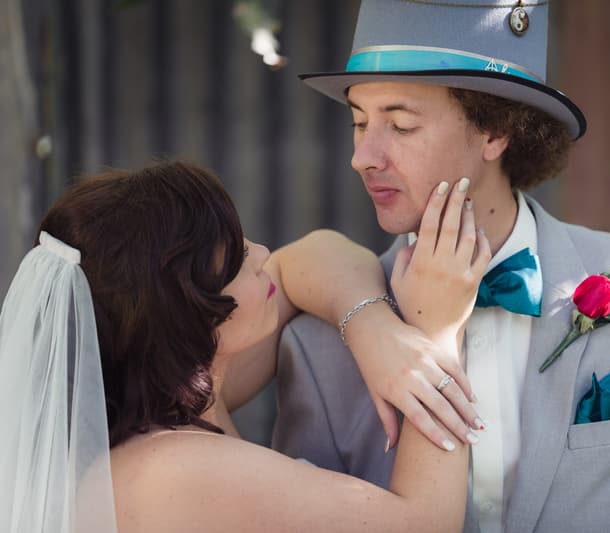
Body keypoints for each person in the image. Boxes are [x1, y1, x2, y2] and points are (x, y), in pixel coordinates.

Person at [272, 1, 610, 532]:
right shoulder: (315, 347)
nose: (364, 155)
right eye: (359, 122)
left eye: (399, 124)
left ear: (494, 131)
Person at [0, 160, 492, 533]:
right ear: (184, 312)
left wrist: (374, 329)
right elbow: (422, 524)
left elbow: (312, 255)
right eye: (235, 257)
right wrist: (435, 331)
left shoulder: (167, 411)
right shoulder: (174, 471)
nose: (261, 254)